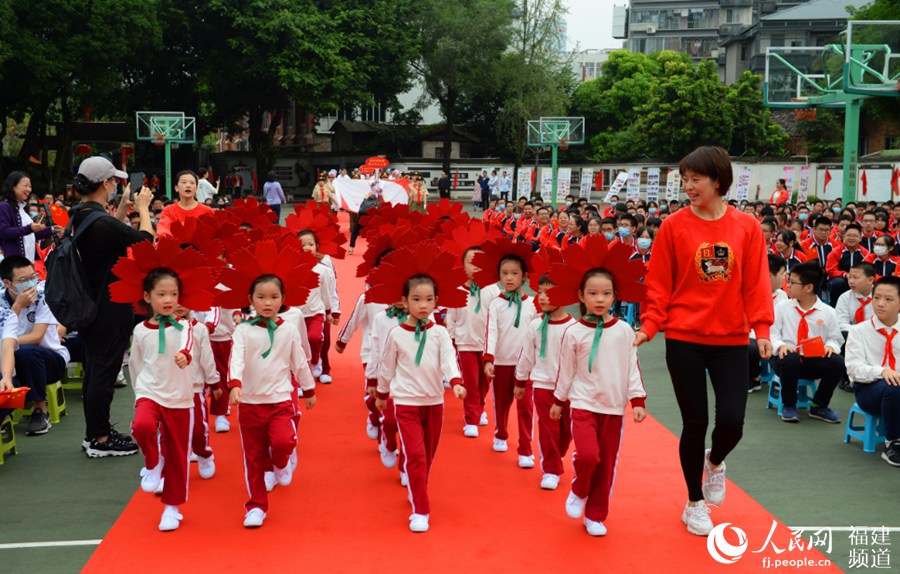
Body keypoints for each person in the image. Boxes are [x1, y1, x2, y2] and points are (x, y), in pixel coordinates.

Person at [636, 146, 773, 537]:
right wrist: (649, 326)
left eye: (696, 179)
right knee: (694, 422)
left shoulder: (745, 227)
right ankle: (694, 502)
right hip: (684, 338)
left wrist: (762, 331)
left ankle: (715, 462)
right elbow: (659, 283)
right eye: (685, 179)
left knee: (732, 421)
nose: (688, 186)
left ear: (718, 180)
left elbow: (756, 284)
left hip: (731, 338)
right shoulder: (673, 226)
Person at [544, 235, 648, 536]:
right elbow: (566, 371)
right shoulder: (574, 332)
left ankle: (596, 514)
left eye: (606, 294)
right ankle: (578, 488)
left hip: (613, 408)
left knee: (606, 464)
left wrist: (637, 401)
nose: (600, 299)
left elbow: (632, 368)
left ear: (615, 296)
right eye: (593, 293)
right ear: (581, 296)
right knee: (588, 456)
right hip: (583, 404)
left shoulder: (625, 330)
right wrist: (558, 401)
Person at [369, 246, 467, 533]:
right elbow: (386, 367)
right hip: (406, 403)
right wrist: (382, 394)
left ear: (437, 301)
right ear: (404, 301)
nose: (423, 305)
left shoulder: (438, 332)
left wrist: (456, 382)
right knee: (416, 455)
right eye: (416, 299)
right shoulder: (396, 334)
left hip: (435, 402)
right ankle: (421, 509)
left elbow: (449, 358)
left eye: (429, 299)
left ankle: (415, 483)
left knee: (429, 455)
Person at [70, 156, 154, 458]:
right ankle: (101, 439)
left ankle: (95, 433)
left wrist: (121, 210)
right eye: (114, 181)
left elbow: (106, 232)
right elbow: (145, 243)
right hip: (110, 306)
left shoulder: (80, 214)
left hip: (90, 305)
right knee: (104, 372)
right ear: (106, 183)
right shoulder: (101, 223)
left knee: (95, 369)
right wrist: (143, 209)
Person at [229, 272, 317, 528]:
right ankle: (256, 505)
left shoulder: (288, 329)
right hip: (250, 404)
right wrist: (235, 383)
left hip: (280, 400)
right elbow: (236, 358)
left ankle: (280, 463)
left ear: (283, 300)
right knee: (253, 457)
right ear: (250, 300)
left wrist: (309, 389)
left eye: (274, 297)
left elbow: (298, 361)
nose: (267, 303)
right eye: (261, 297)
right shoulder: (243, 331)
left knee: (283, 441)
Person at [126, 269, 196, 532]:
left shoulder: (186, 325)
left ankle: (172, 509)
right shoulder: (140, 330)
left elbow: (187, 346)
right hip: (150, 392)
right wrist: (139, 393)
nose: (169, 300)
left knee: (178, 457)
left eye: (174, 294)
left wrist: (184, 356)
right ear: (147, 296)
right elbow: (135, 364)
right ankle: (153, 463)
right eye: (161, 294)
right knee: (141, 426)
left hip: (179, 397)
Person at [515, 275, 575, 490]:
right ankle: (550, 468)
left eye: (549, 292)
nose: (542, 297)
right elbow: (527, 356)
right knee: (548, 429)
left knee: (567, 430)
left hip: (569, 389)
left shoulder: (574, 327)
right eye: (540, 292)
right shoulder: (535, 325)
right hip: (543, 384)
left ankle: (555, 457)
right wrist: (520, 381)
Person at [481, 243, 538, 466]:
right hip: (502, 362)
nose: (509, 278)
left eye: (514, 273)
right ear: (498, 276)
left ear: (524, 276)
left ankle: (525, 449)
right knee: (502, 403)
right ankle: (501, 433)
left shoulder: (533, 304)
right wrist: (489, 358)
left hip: (525, 366)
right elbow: (491, 332)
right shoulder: (495, 304)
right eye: (504, 273)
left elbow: (537, 335)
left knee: (525, 408)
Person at [0, 256, 69, 435]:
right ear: (7, 283)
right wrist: (17, 307)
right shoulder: (1, 302)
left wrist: (8, 342)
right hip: (14, 362)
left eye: (33, 276)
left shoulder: (42, 294)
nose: (30, 283)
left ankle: (40, 410)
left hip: (50, 359)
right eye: (23, 280)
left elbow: (36, 337)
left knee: (27, 351)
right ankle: (9, 408)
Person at [770, 261, 845, 423]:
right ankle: (789, 405)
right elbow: (772, 334)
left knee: (837, 362)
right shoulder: (782, 307)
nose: (787, 285)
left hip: (812, 361)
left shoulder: (828, 312)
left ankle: (819, 406)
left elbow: (835, 338)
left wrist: (830, 346)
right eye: (787, 280)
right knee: (791, 357)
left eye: (792, 282)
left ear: (809, 287)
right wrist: (781, 346)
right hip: (785, 361)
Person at [845, 275, 900, 466]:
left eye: (888, 299)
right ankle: (893, 442)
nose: (880, 304)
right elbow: (854, 369)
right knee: (893, 386)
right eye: (876, 298)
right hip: (868, 390)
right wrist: (882, 371)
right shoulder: (859, 331)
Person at [447, 246, 501, 438]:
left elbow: (498, 317)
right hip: (465, 343)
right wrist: (453, 339)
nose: (476, 266)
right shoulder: (458, 290)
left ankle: (479, 406)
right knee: (470, 381)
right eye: (471, 262)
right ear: (463, 266)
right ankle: (471, 419)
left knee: (485, 381)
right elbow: (450, 318)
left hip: (488, 346)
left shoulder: (493, 290)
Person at [748, 255, 789, 393]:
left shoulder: (782, 295)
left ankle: (781, 378)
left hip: (777, 336)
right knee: (750, 346)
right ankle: (754, 378)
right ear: (770, 275)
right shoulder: (750, 294)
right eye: (782, 273)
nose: (785, 277)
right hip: (756, 336)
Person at [0, 172, 54, 262]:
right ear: (13, 186)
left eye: (30, 186)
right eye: (25, 185)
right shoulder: (4, 206)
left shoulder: (23, 209)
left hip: (28, 261)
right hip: (14, 262)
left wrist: (52, 230)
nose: (29, 189)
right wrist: (29, 228)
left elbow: (30, 234)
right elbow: (3, 232)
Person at [156, 171, 214, 238]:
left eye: (192, 183)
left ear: (196, 188)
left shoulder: (207, 211)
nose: (188, 185)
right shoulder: (168, 210)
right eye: (184, 182)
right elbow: (163, 230)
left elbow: (213, 233)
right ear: (176, 188)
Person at [826, 223, 869, 306]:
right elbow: (830, 270)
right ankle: (835, 307)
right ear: (844, 237)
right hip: (841, 279)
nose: (851, 238)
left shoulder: (865, 253)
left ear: (860, 238)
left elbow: (868, 270)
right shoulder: (836, 252)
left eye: (855, 236)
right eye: (849, 235)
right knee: (838, 283)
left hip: (859, 279)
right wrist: (845, 275)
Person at [835, 261, 876, 336]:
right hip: (853, 336)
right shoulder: (845, 298)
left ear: (870, 280)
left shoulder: (881, 297)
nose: (851, 281)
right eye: (850, 277)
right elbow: (840, 324)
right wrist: (861, 332)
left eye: (855, 278)